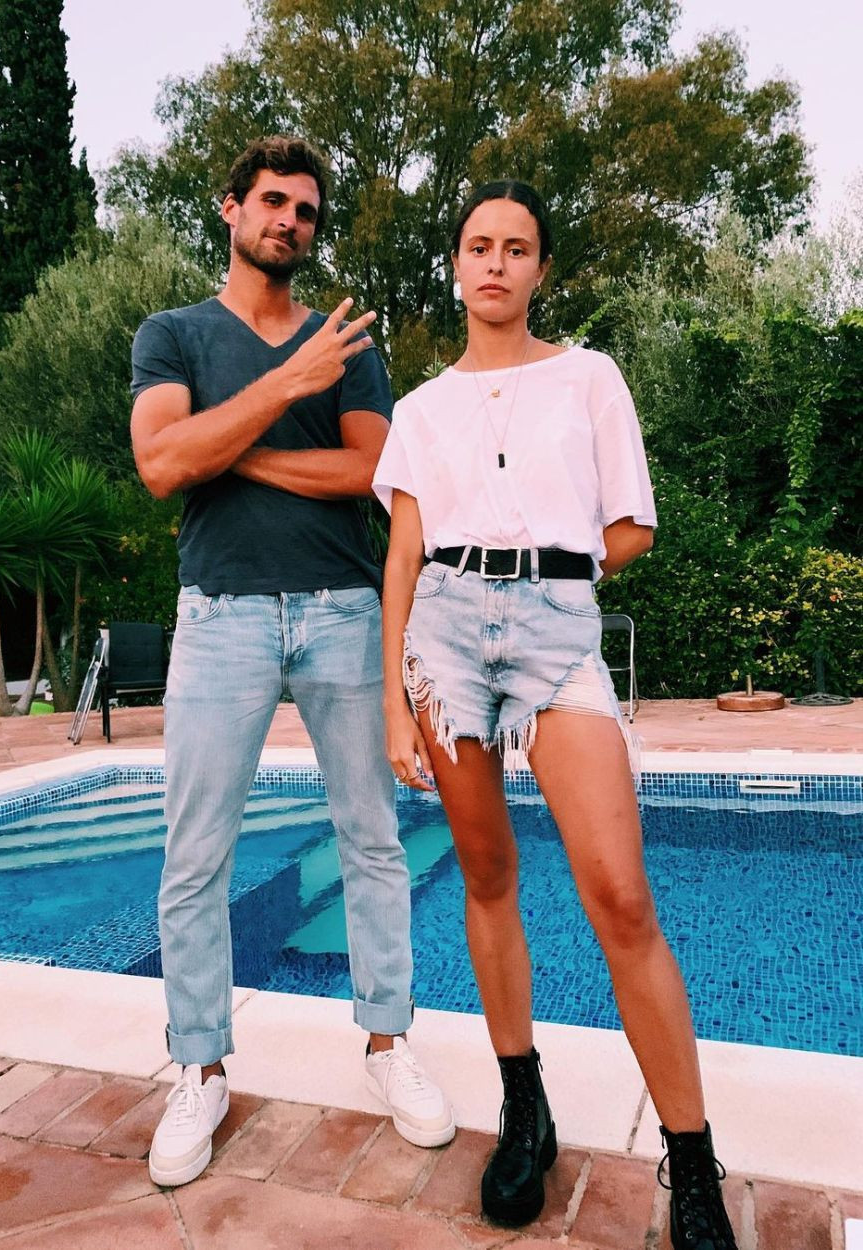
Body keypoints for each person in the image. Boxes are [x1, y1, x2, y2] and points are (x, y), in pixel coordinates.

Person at [373, 180, 737, 1249]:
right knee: (486, 874)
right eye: (478, 245)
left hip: (553, 633)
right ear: (455, 264)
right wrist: (395, 698)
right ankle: (523, 1105)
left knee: (621, 895)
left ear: (539, 267)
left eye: (517, 247)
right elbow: (403, 555)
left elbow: (631, 527)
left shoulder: (589, 377)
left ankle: (693, 1161)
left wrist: (547, 585)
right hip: (441, 640)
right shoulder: (418, 411)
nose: (495, 262)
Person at [129, 135, 454, 1189]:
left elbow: (372, 470)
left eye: (306, 210)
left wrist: (233, 450)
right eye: (273, 201)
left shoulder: (344, 340)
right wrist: (282, 389)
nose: (290, 222)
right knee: (195, 856)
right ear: (230, 208)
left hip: (343, 612)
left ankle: (388, 1043)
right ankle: (199, 1068)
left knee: (373, 839)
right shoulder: (173, 334)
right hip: (219, 615)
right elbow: (161, 462)